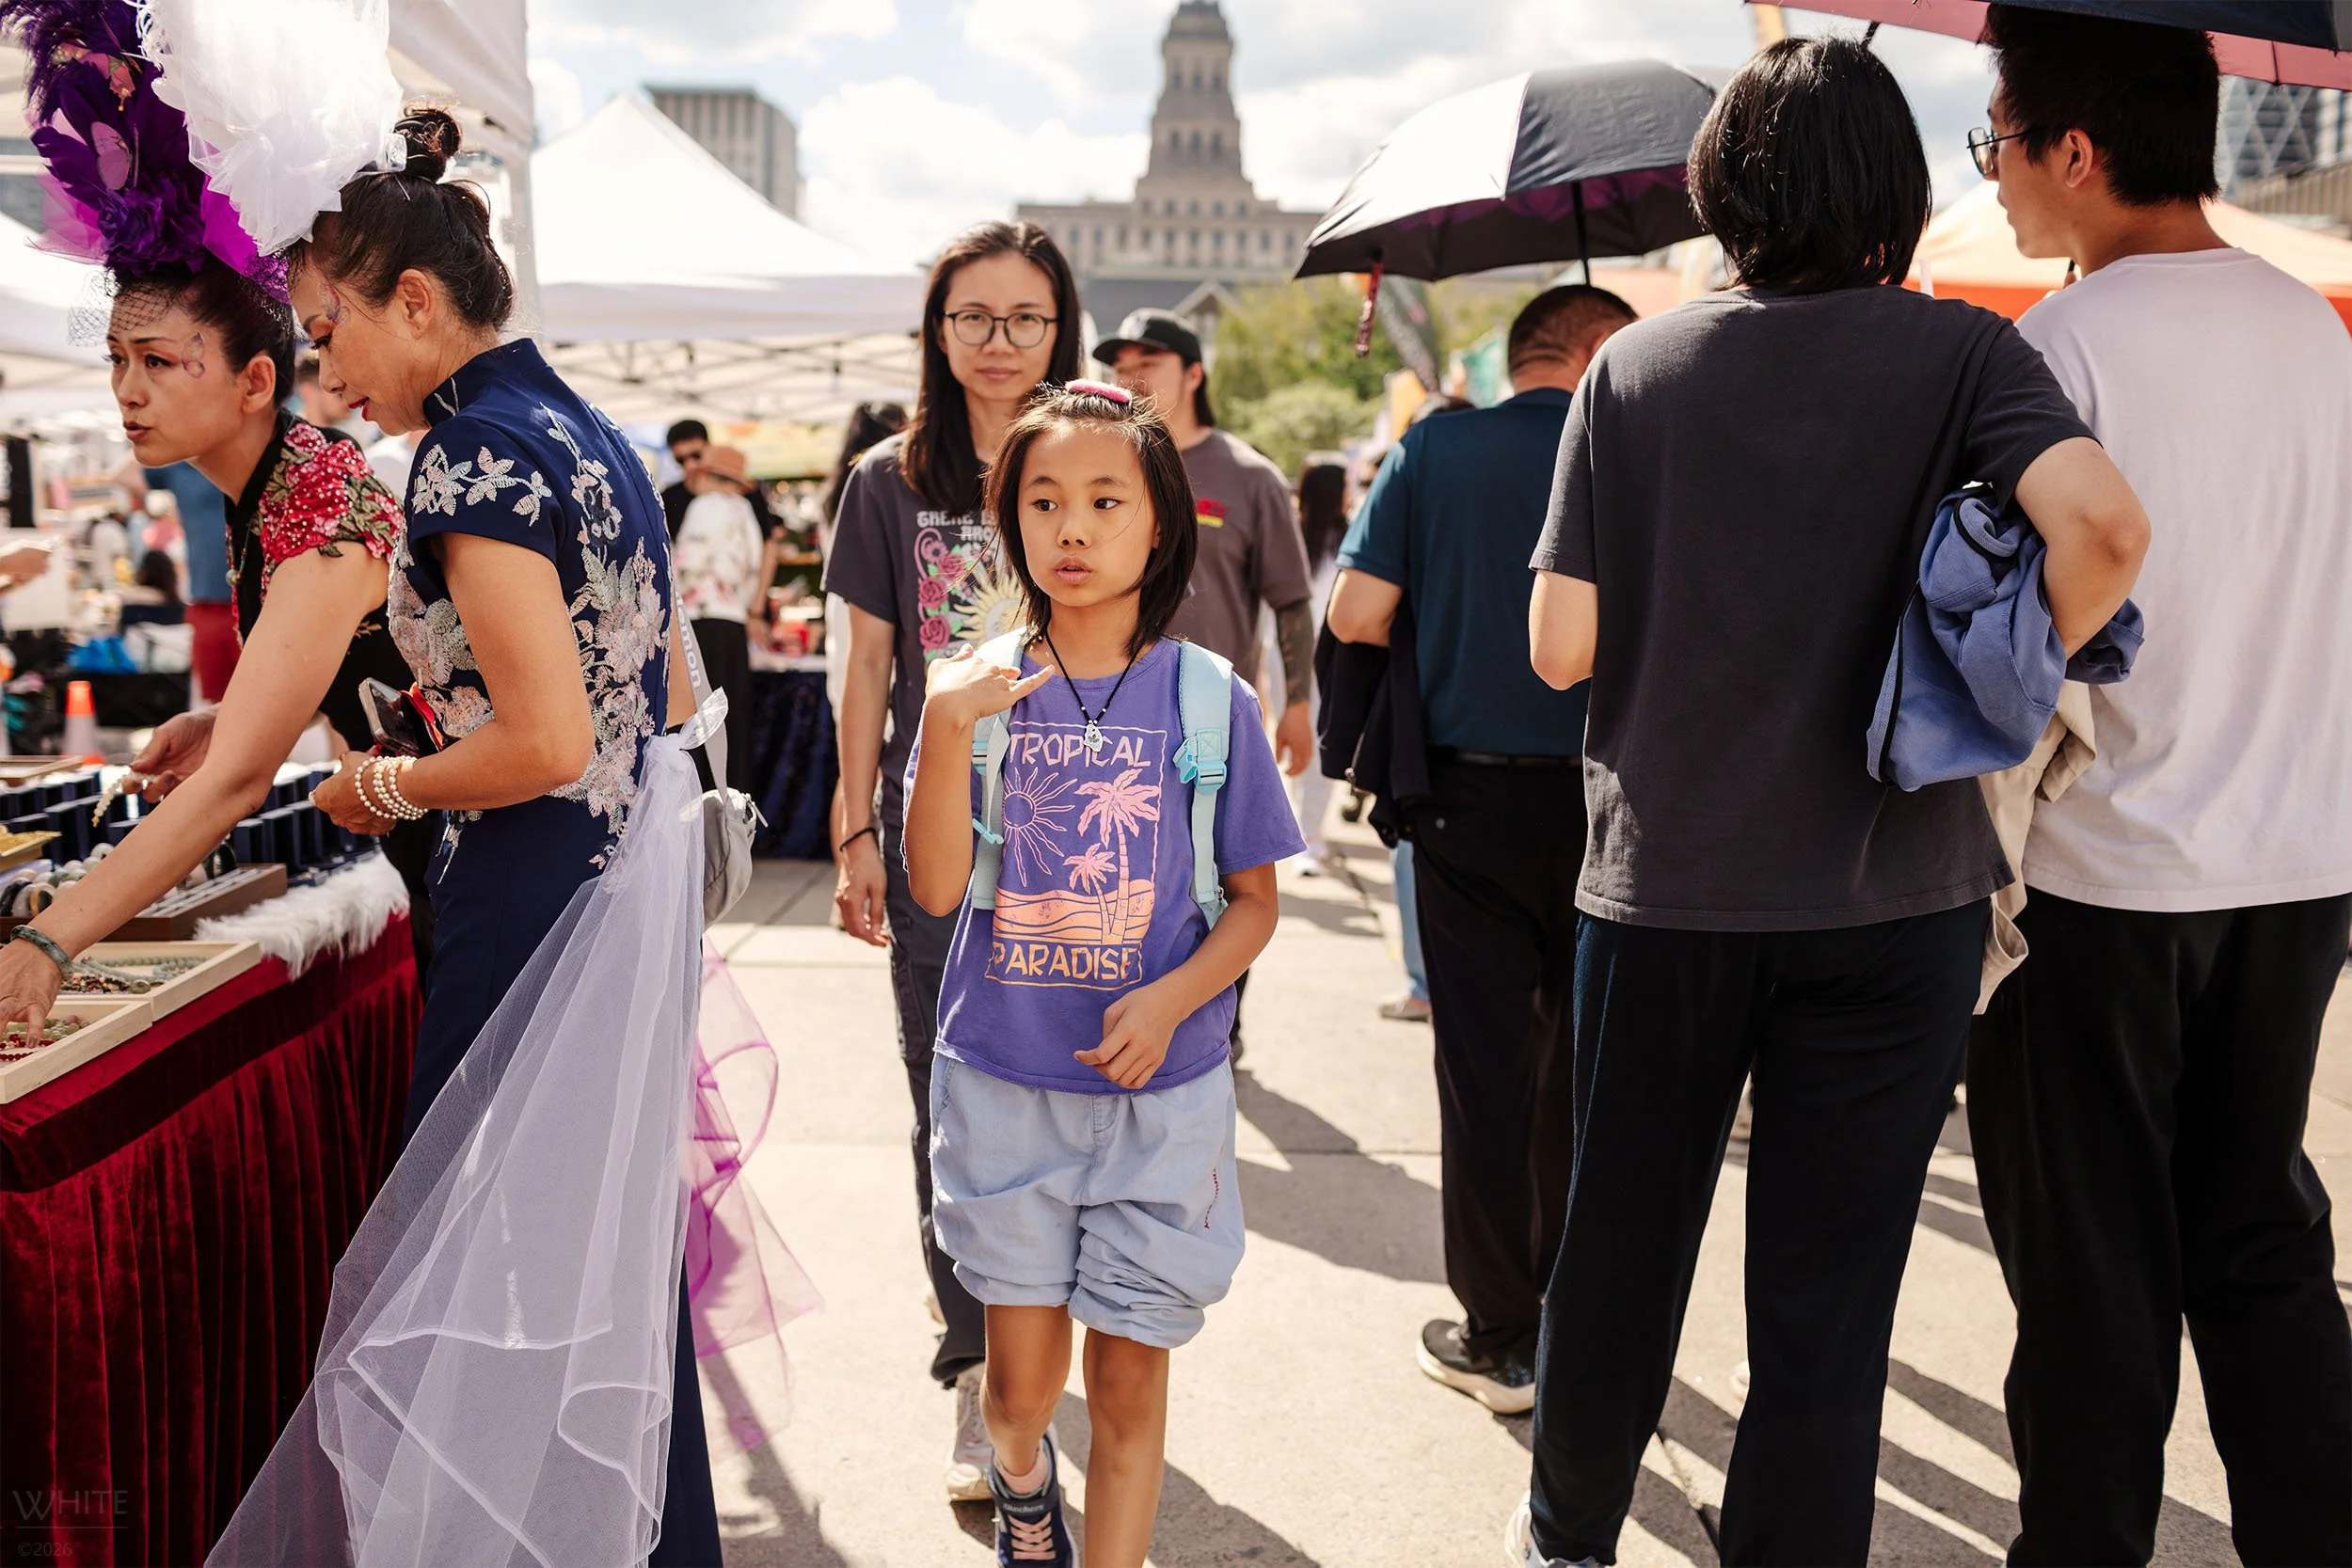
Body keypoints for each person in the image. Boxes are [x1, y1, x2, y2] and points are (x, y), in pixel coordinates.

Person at [1512, 38, 2149, 1567]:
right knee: (1829, 1284)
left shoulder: (1634, 368)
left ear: (1724, 188)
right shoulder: (1965, 358)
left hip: (1666, 887)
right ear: (1895, 188)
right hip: (1897, 892)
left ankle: (1567, 1540)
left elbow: (1560, 651)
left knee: (1619, 1247)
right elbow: (2107, 534)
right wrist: (1983, 677)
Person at [246, 107, 719, 1565]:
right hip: (607, 874)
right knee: (594, 1251)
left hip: (528, 892)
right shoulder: (594, 435)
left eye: (329, 333)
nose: (326, 373)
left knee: (493, 1246)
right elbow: (669, 690)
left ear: (417, 302)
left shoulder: (468, 458)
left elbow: (546, 740)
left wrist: (381, 789)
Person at [1964, 10, 2352, 1562]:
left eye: (1997, 140)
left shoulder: (2056, 352)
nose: (1992, 175)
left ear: (2077, 148)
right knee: (2261, 1240)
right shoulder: (2313, 329)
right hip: (2298, 859)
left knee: (2090, 1276)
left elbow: (2007, 649)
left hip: (2106, 874)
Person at [902, 381, 1300, 1567]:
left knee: (1127, 1385)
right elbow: (932, 891)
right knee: (1021, 1395)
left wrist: (1176, 995)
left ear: (1159, 524)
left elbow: (1255, 904)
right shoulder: (973, 683)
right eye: (1043, 501)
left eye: (1104, 500)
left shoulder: (1207, 696)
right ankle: (1026, 1488)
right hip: (1006, 1088)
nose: (1071, 528)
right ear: (1009, 521)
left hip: (1162, 1099)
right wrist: (940, 727)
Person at [0, 154, 430, 1029]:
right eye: (119, 358)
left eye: (158, 361)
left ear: (256, 382)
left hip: (489, 850)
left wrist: (50, 943)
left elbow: (236, 782)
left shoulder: (312, 498)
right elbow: (360, 660)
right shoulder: (271, 487)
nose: (128, 390)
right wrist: (228, 717)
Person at [1326, 285, 1634, 1418]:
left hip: (1465, 801)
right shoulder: (1638, 443)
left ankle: (1499, 1332)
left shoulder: (1435, 450)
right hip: (1620, 800)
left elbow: (1356, 613)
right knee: (1588, 1073)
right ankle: (1581, 1313)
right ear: (1599, 348)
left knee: (1485, 1073)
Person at [820, 218, 1082, 1500]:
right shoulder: (890, 480)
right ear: (937, 332)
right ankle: (980, 1368)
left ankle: (1047, 1337)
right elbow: (867, 662)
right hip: (937, 839)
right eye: (972, 317)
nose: (998, 342)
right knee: (951, 1098)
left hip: (1086, 830)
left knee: (1068, 1098)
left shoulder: (1096, 457)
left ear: (1060, 326)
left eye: (1024, 317)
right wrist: (853, 822)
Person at [1099, 309, 1316, 1060]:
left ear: (1195, 372)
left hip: (1213, 731)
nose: (1133, 369)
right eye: (1120, 358)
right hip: (1108, 718)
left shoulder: (1249, 476)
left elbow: (1290, 597)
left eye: (1151, 356)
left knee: (1227, 884)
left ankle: (1215, 1023)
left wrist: (1298, 705)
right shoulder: (1104, 463)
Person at [674, 444, 765, 792]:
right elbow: (754, 570)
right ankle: (732, 813)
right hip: (732, 622)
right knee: (730, 722)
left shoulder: (706, 507)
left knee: (698, 721)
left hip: (702, 622)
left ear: (711, 477)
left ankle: (698, 811)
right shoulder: (745, 513)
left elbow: (688, 564)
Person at [1285, 456, 1346, 870]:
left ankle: (1308, 833)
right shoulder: (1290, 535)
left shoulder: (1348, 536)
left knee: (1320, 741)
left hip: (1326, 654)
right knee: (1298, 740)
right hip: (1291, 653)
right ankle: (1300, 831)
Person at [135, 461, 237, 700]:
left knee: (266, 702)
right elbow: (124, 475)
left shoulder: (255, 451)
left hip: (258, 600)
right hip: (207, 602)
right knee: (216, 702)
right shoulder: (180, 468)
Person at [663, 416, 778, 540]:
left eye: (696, 455)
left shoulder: (746, 492)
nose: (690, 465)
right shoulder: (668, 499)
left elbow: (767, 539)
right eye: (681, 460)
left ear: (709, 448)